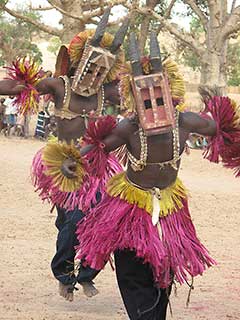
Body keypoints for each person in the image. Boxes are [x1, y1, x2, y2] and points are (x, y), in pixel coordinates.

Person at [61, 33, 240, 319]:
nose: (153, 98)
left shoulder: (186, 121)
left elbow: (224, 129)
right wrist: (72, 161)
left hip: (170, 209)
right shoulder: (129, 128)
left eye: (159, 91)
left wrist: (224, 121)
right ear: (134, 93)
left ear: (170, 90)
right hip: (129, 210)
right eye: (144, 92)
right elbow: (97, 147)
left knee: (164, 272)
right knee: (133, 271)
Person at [0, 8, 129, 302]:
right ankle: (64, 274)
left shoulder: (108, 92)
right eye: (90, 67)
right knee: (70, 223)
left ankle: (86, 275)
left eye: (101, 71)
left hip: (97, 166)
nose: (94, 75)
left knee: (106, 219)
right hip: (63, 165)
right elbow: (22, 87)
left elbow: (140, 91)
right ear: (79, 63)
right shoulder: (60, 86)